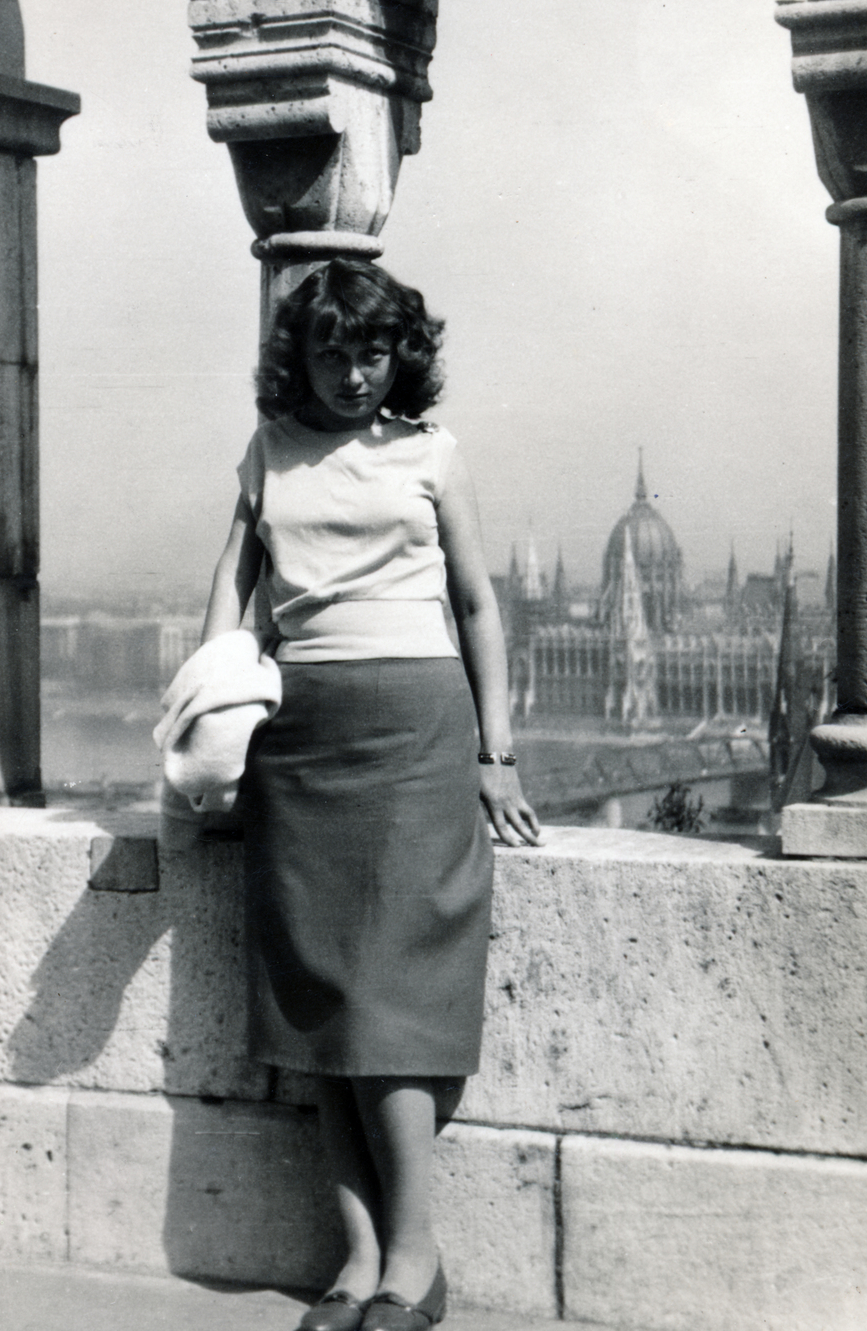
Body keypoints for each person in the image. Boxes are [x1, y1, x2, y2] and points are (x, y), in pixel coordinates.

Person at [200, 259, 542, 1331]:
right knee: (317, 999)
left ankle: (417, 1256)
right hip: (299, 741)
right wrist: (214, 727)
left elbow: (479, 606)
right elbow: (230, 596)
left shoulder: (432, 454)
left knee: (388, 1001)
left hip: (414, 734)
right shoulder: (270, 453)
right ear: (298, 358)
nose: (354, 372)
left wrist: (497, 754)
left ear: (404, 356)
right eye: (333, 351)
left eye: (374, 350)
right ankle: (356, 1261)